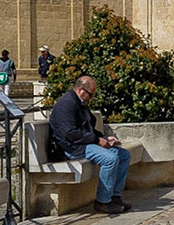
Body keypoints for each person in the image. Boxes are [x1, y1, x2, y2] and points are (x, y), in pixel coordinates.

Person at [49, 74, 132, 213]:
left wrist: (105, 138)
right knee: (110, 159)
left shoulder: (80, 103)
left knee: (124, 155)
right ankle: (103, 201)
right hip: (73, 147)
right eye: (91, 94)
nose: (91, 98)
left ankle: (115, 197)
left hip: (85, 143)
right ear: (80, 90)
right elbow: (70, 134)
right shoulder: (67, 104)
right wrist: (97, 140)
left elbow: (88, 129)